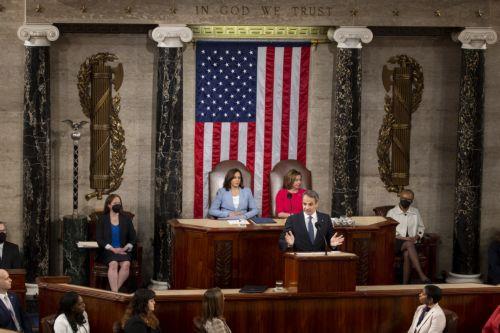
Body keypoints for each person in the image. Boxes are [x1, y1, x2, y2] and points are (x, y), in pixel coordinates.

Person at [387, 189, 430, 284]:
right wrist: (405, 238)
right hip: (396, 242)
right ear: (400, 198)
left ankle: (405, 284)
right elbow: (388, 232)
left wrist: (417, 237)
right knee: (409, 244)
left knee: (407, 254)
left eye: (409, 200)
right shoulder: (392, 212)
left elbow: (421, 227)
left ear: (412, 201)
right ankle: (421, 275)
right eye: (404, 199)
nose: (406, 201)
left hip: (411, 243)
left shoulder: (415, 212)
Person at [279, 190, 344, 252]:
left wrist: (333, 245)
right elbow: (282, 241)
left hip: (320, 260)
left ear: (316, 204)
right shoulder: (292, 219)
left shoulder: (325, 218)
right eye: (304, 204)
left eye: (310, 204)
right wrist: (289, 244)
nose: (307, 207)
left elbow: (331, 240)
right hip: (300, 260)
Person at [96, 194, 137, 292]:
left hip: (122, 250)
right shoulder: (103, 219)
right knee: (113, 264)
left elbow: (133, 237)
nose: (118, 205)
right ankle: (116, 293)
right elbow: (99, 238)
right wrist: (112, 248)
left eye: (119, 203)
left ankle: (114, 293)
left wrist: (125, 248)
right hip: (108, 251)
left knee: (126, 264)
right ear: (109, 205)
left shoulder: (126, 219)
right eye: (115, 203)